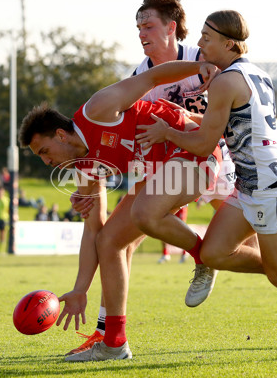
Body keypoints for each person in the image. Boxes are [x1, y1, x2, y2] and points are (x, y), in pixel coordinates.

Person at [136, 9, 277, 358]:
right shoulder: (254, 73)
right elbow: (223, 122)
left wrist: (167, 130)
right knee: (212, 253)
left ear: (228, 43)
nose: (199, 44)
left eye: (207, 39)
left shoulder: (224, 81)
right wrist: (181, 117)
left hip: (270, 189)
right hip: (252, 185)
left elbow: (203, 144)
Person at [19, 58, 230, 362]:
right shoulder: (83, 170)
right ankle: (114, 343)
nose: (46, 161)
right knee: (110, 241)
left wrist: (200, 68)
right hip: (158, 173)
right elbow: (94, 229)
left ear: (60, 135)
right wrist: (80, 289)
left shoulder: (97, 110)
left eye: (44, 151)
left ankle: (203, 256)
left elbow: (153, 77)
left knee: (143, 214)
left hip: (192, 148)